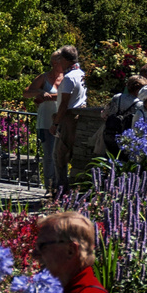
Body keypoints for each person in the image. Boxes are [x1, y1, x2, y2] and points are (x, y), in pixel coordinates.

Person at [23, 50, 64, 193]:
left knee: (61, 154)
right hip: (46, 121)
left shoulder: (67, 77)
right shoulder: (44, 77)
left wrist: (51, 96)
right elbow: (26, 93)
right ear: (55, 63)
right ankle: (50, 186)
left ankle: (61, 185)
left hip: (63, 120)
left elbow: (68, 96)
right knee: (49, 155)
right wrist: (40, 93)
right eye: (61, 61)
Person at [51, 46, 87, 192]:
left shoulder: (69, 78)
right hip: (79, 117)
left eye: (59, 59)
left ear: (65, 59)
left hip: (68, 120)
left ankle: (61, 189)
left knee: (59, 155)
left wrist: (55, 123)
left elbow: (64, 104)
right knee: (68, 154)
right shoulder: (81, 74)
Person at [93, 74, 147, 157]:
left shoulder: (117, 97)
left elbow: (105, 114)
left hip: (110, 133)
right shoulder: (140, 105)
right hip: (126, 137)